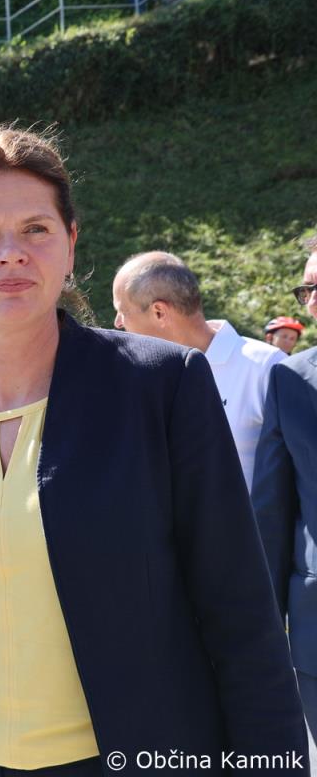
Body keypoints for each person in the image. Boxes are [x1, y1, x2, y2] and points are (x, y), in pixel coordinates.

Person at [0, 126, 307, 777]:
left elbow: (241, 617)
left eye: (35, 229)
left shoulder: (163, 386)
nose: (10, 253)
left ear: (70, 243)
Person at [112, 251, 285, 490]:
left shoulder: (267, 367)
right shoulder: (137, 374)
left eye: (122, 311)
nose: (117, 323)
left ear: (159, 312)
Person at [254, 234, 317, 742]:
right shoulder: (290, 379)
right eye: (307, 290)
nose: (311, 301)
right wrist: (265, 620)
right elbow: (273, 508)